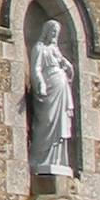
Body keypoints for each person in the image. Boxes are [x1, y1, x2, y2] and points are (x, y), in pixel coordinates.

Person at [29, 17, 76, 175]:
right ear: (47, 32)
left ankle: (57, 160)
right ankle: (41, 158)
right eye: (53, 32)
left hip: (61, 87)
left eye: (57, 32)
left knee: (61, 122)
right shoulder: (39, 48)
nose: (55, 35)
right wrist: (40, 83)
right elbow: (36, 69)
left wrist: (68, 67)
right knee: (48, 120)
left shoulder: (56, 51)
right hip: (49, 86)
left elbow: (66, 65)